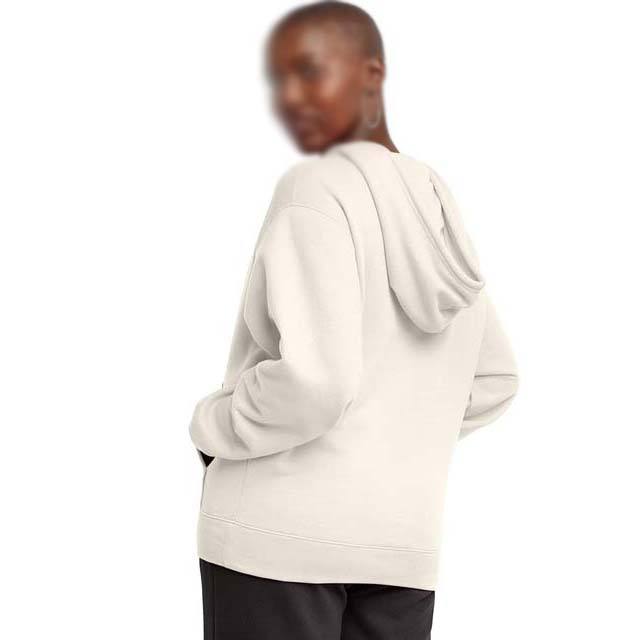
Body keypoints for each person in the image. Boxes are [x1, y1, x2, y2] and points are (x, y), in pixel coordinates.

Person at [189, 1, 519, 638]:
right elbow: (494, 378)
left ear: (372, 75)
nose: (290, 97)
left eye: (309, 71)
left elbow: (316, 381)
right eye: (280, 79)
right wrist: (393, 440)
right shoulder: (434, 203)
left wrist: (212, 426)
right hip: (401, 544)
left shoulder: (314, 187)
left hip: (275, 541)